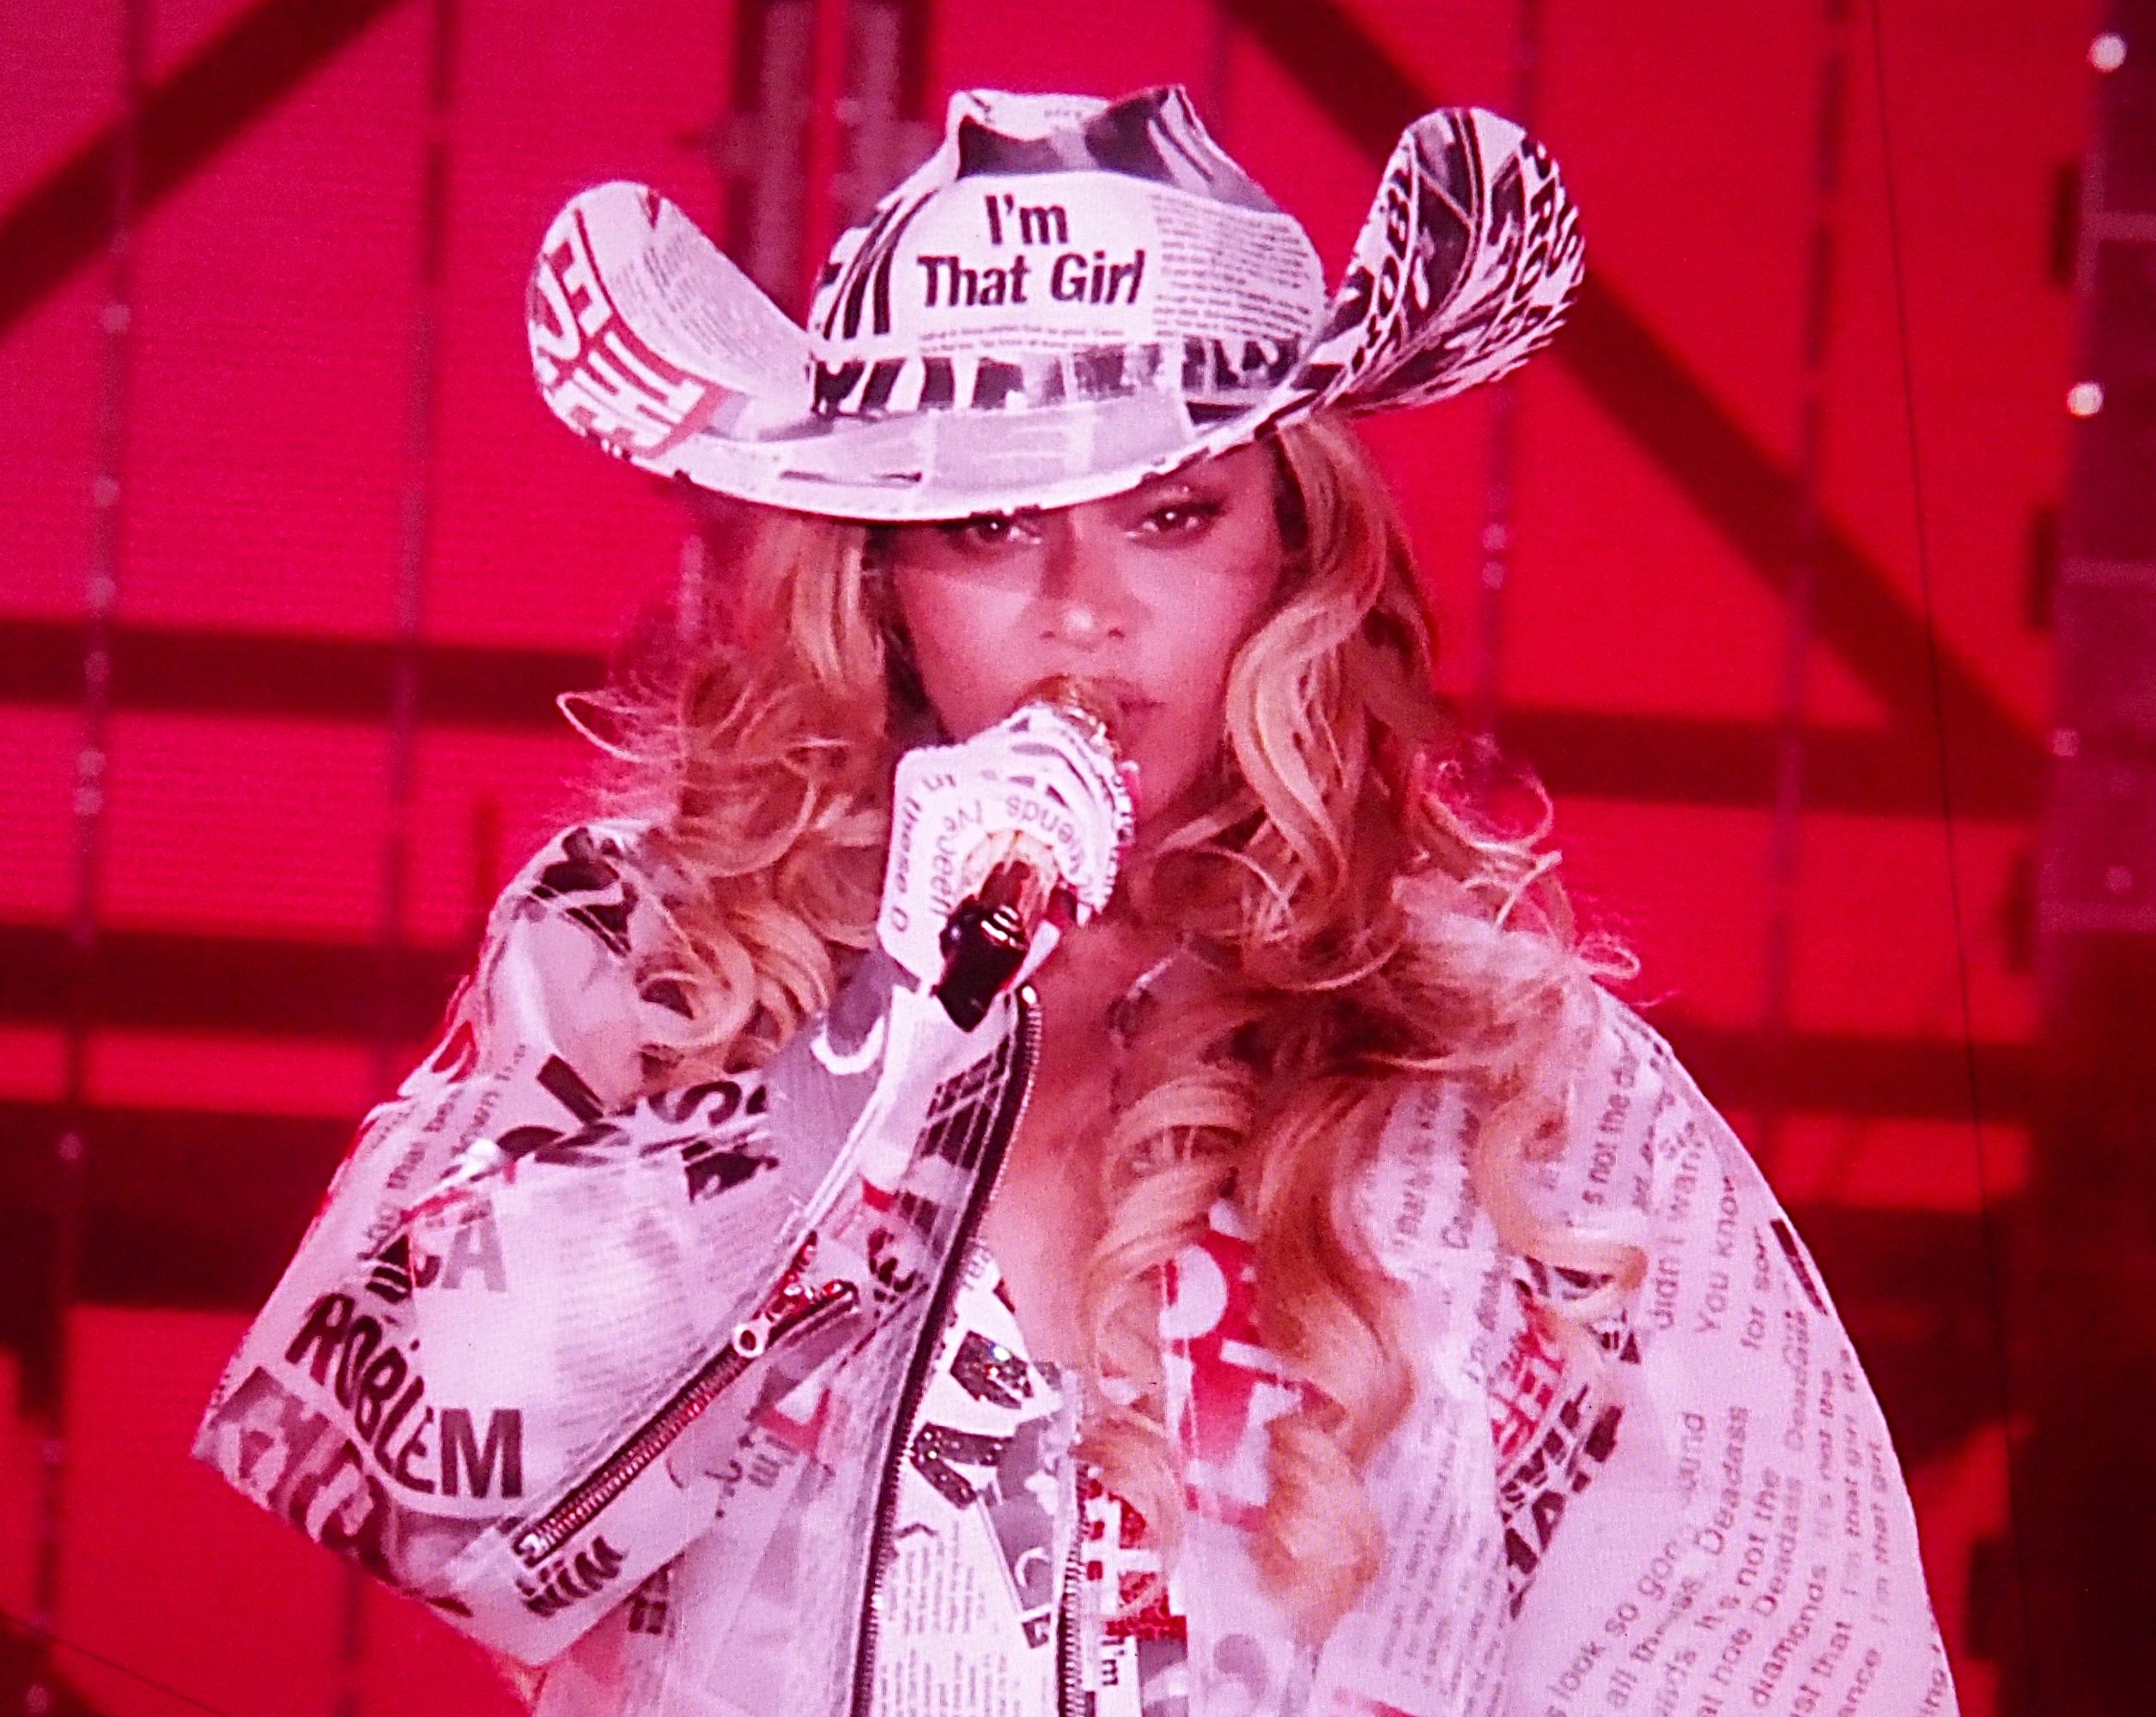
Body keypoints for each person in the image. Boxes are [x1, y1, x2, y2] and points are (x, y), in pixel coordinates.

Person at [196, 86, 1959, 1716]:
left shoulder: (1507, 1078)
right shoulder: (647, 955)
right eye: (986, 527)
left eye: (1170, 515)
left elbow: (1784, 1658)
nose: (1081, 609)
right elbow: (411, 1486)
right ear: (876, 575)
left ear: (1292, 549)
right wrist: (882, 1042)